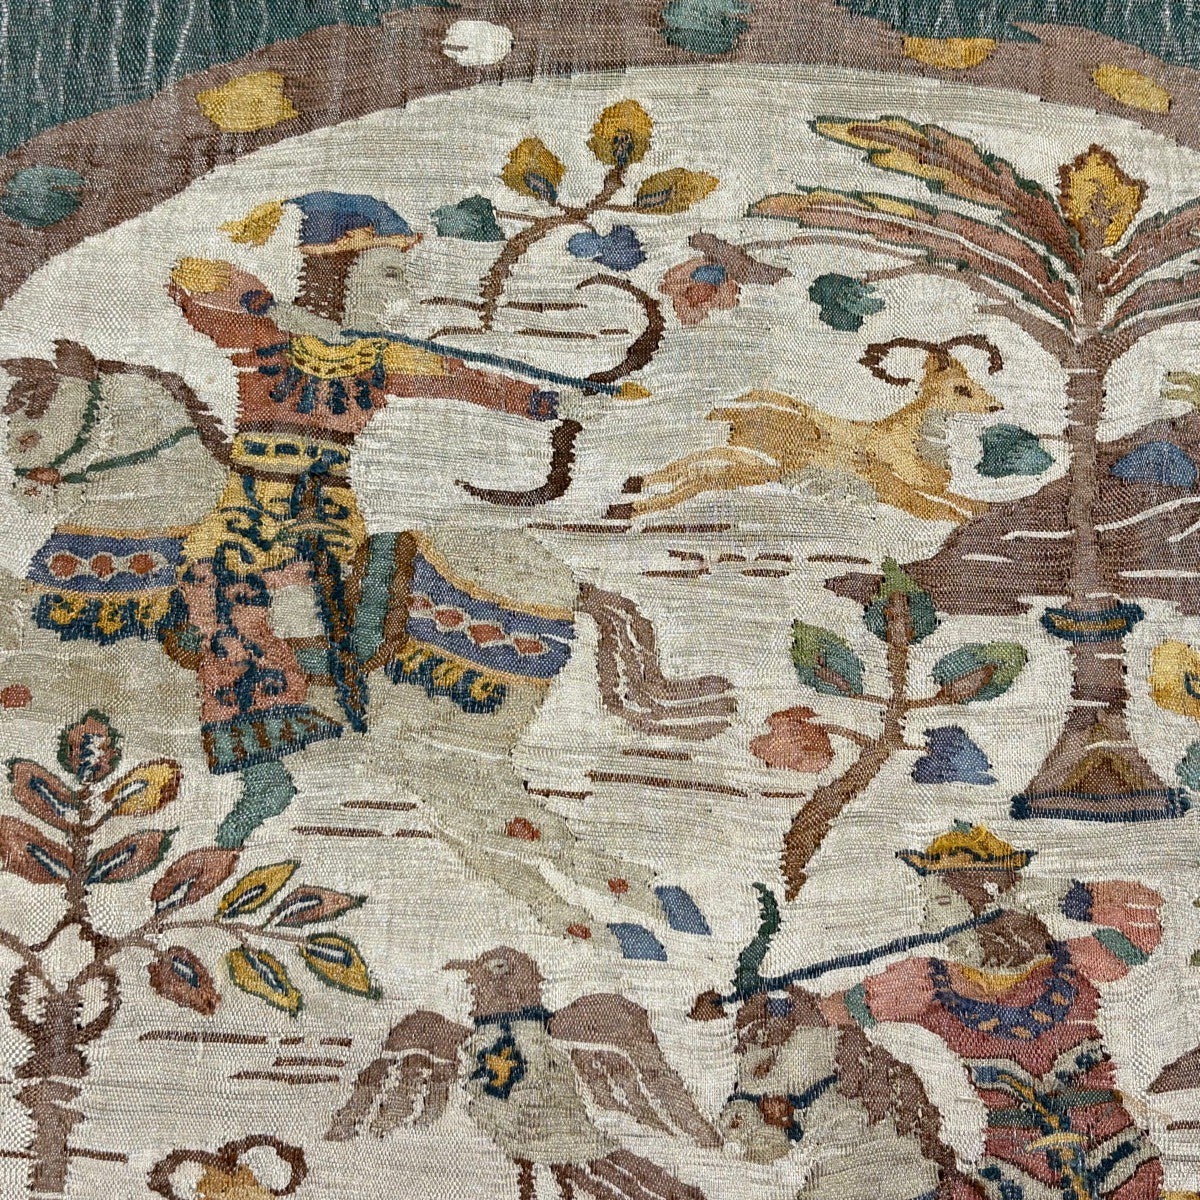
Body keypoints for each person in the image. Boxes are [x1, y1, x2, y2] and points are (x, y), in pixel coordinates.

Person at [818, 822, 1165, 1200]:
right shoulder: (929, 983)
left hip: (1119, 1163)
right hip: (1010, 1176)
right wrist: (793, 1004)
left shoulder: (1070, 963)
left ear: (985, 901)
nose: (929, 920)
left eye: (942, 903)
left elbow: (1142, 929)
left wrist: (1071, 897)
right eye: (929, 904)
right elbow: (839, 1010)